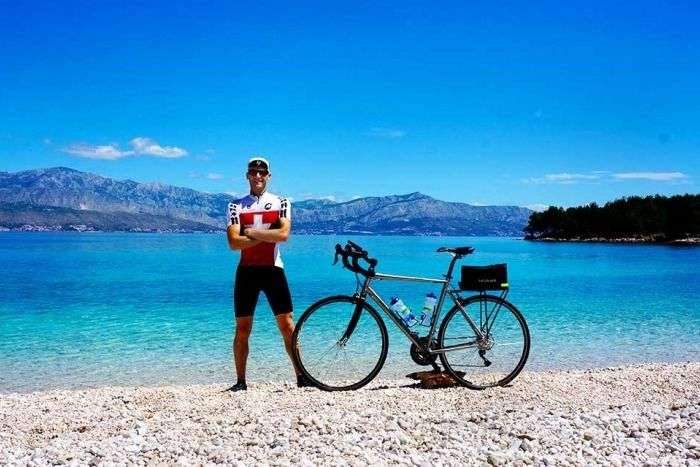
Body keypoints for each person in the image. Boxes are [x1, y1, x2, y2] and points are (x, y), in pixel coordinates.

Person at [225, 157, 309, 391]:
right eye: (253, 172)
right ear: (247, 176)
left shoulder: (281, 202)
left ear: (269, 176)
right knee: (242, 329)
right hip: (246, 273)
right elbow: (233, 243)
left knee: (288, 326)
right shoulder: (235, 206)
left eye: (262, 172)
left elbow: (283, 235)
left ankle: (302, 377)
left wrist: (251, 232)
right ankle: (241, 381)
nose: (258, 176)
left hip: (273, 270)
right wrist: (266, 235)